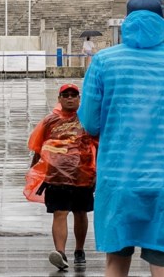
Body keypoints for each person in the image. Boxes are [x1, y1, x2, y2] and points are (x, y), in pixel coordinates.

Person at [77, 0, 164, 277]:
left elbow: (89, 122)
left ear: (127, 20)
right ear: (163, 19)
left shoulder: (104, 62)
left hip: (119, 179)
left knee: (116, 262)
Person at [28, 83, 98, 271]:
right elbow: (38, 147)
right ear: (59, 99)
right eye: (65, 95)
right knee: (60, 213)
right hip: (56, 176)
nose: (69, 98)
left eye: (73, 95)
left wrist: (98, 172)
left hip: (83, 176)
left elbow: (98, 145)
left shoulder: (88, 121)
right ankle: (60, 252)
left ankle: (79, 250)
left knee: (80, 213)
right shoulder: (49, 121)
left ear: (79, 99)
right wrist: (34, 171)